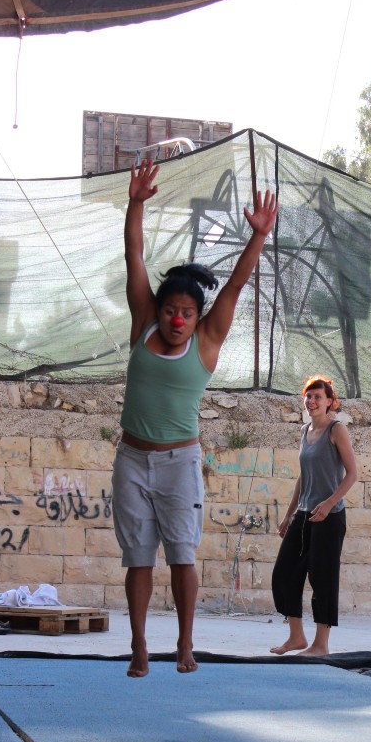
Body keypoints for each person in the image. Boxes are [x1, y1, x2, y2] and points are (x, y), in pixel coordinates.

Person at [113, 159, 278, 677]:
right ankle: (140, 646)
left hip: (180, 462)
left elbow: (235, 285)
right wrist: (137, 201)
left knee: (181, 554)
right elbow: (134, 255)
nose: (177, 319)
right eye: (170, 311)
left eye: (187, 312)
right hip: (132, 459)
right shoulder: (143, 322)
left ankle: (185, 644)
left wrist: (258, 237)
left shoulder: (207, 339)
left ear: (197, 316)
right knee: (138, 557)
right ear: (158, 310)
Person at [270, 375, 357, 656]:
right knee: (284, 573)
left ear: (331, 402)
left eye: (318, 397)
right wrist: (288, 515)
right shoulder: (306, 430)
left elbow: (352, 474)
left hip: (330, 517)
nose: (312, 401)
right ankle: (297, 637)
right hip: (305, 514)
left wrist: (330, 503)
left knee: (323, 578)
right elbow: (302, 478)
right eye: (308, 396)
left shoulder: (337, 429)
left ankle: (321, 645)